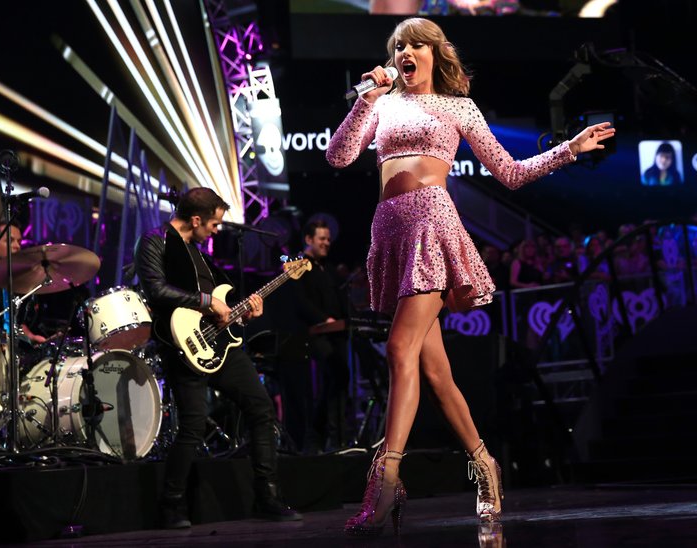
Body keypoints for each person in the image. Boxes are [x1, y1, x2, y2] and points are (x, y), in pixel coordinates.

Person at [325, 17, 614, 535]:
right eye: (398, 47)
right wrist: (366, 100)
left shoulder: (458, 107)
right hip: (390, 232)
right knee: (435, 374)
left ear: (436, 54)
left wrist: (568, 149)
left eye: (415, 44)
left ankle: (386, 478)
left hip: (432, 229)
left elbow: (510, 172)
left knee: (397, 349)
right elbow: (339, 155)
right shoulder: (383, 102)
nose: (405, 52)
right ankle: (485, 464)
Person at [134, 187, 302, 529]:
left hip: (221, 346)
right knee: (193, 426)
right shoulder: (154, 241)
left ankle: (266, 497)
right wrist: (207, 302)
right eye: (213, 223)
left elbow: (226, 304)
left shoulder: (200, 254)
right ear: (196, 219)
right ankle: (172, 505)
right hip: (182, 346)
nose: (216, 230)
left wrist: (246, 310)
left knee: (261, 408)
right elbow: (156, 290)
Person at [294, 219, 350, 453]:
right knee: (330, 380)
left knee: (340, 379)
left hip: (335, 334)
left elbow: (339, 300)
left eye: (328, 239)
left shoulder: (327, 268)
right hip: (314, 336)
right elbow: (300, 302)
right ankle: (321, 438)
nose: (327, 243)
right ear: (309, 240)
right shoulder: (298, 265)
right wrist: (323, 319)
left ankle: (338, 438)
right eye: (322, 239)